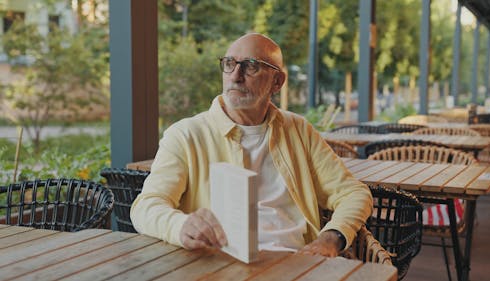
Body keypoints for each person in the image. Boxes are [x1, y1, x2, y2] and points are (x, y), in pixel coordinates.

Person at [130, 33, 372, 257]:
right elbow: (145, 207)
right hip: (220, 265)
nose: (236, 76)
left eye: (251, 66)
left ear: (277, 82)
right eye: (229, 64)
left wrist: (331, 238)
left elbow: (353, 193)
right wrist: (180, 225)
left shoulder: (298, 130)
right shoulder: (185, 135)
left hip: (297, 263)